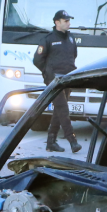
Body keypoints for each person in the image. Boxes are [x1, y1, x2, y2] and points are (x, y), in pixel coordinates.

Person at [32, 9, 81, 153]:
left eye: (69, 21)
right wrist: (48, 74)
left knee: (59, 111)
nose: (69, 24)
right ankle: (72, 140)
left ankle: (51, 142)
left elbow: (73, 56)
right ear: (57, 22)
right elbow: (37, 60)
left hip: (68, 79)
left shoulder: (71, 38)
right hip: (55, 80)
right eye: (66, 21)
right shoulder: (48, 39)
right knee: (63, 109)